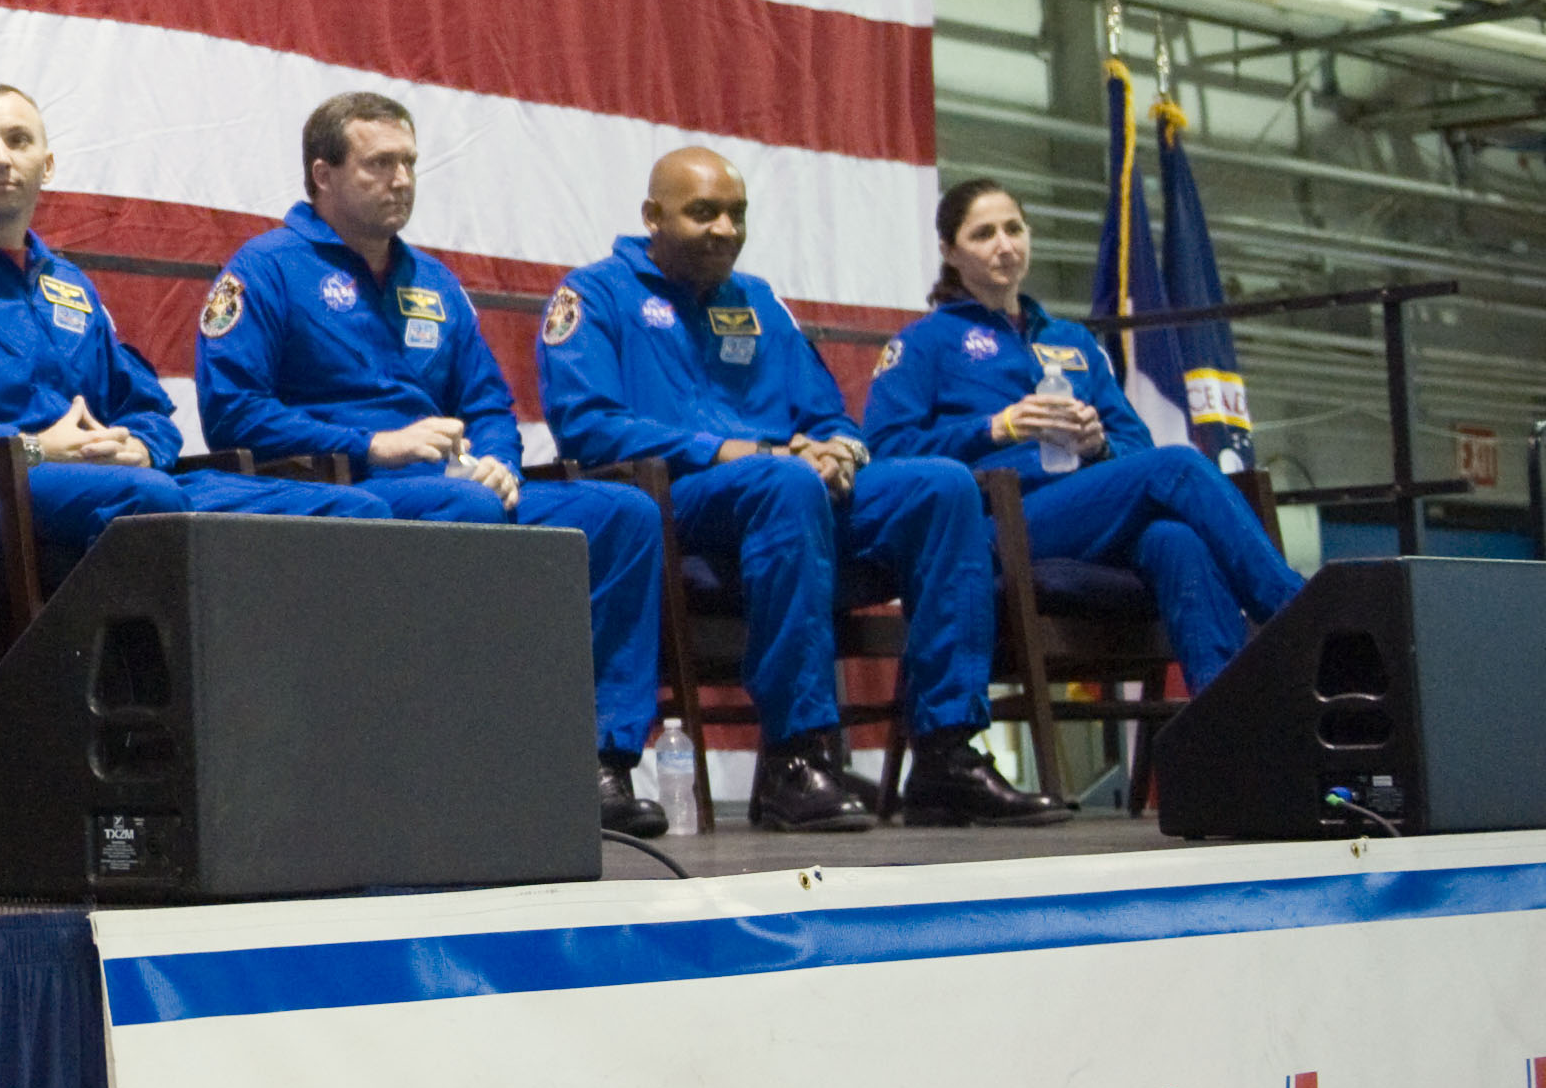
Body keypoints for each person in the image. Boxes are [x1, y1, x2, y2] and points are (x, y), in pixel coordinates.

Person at [536, 146, 1059, 831]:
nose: (725, 228)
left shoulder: (758, 303)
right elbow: (587, 426)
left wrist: (840, 447)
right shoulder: (596, 295)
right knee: (783, 482)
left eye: (736, 214)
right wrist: (730, 449)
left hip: (791, 492)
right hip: (682, 501)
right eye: (703, 213)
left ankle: (945, 754)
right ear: (652, 217)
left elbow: (828, 411)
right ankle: (798, 755)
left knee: (942, 486)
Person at [195, 91, 675, 835]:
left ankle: (599, 762)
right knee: (470, 512)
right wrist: (367, 445)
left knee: (624, 516)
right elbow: (232, 410)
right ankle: (468, 768)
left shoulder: (434, 284)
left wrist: (498, 460)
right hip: (347, 494)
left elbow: (486, 398)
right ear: (322, 174)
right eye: (379, 164)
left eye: (409, 163)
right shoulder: (265, 269)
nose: (401, 180)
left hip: (453, 486)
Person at [0, 85, 387, 562]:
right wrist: (28, 445)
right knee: (148, 500)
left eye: (17, 141)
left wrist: (142, 448)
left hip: (109, 481)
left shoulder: (70, 285)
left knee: (354, 509)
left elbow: (144, 405)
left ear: (47, 164)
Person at [867, 179, 1304, 696]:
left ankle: (1227, 722)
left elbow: (1134, 447)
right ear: (949, 252)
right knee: (1179, 465)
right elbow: (888, 455)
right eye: (983, 234)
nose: (1005, 245)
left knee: (1177, 540)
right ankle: (1301, 619)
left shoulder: (1070, 341)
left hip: (1088, 515)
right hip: (989, 526)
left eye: (1014, 229)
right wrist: (996, 428)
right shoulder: (922, 344)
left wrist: (1100, 446)